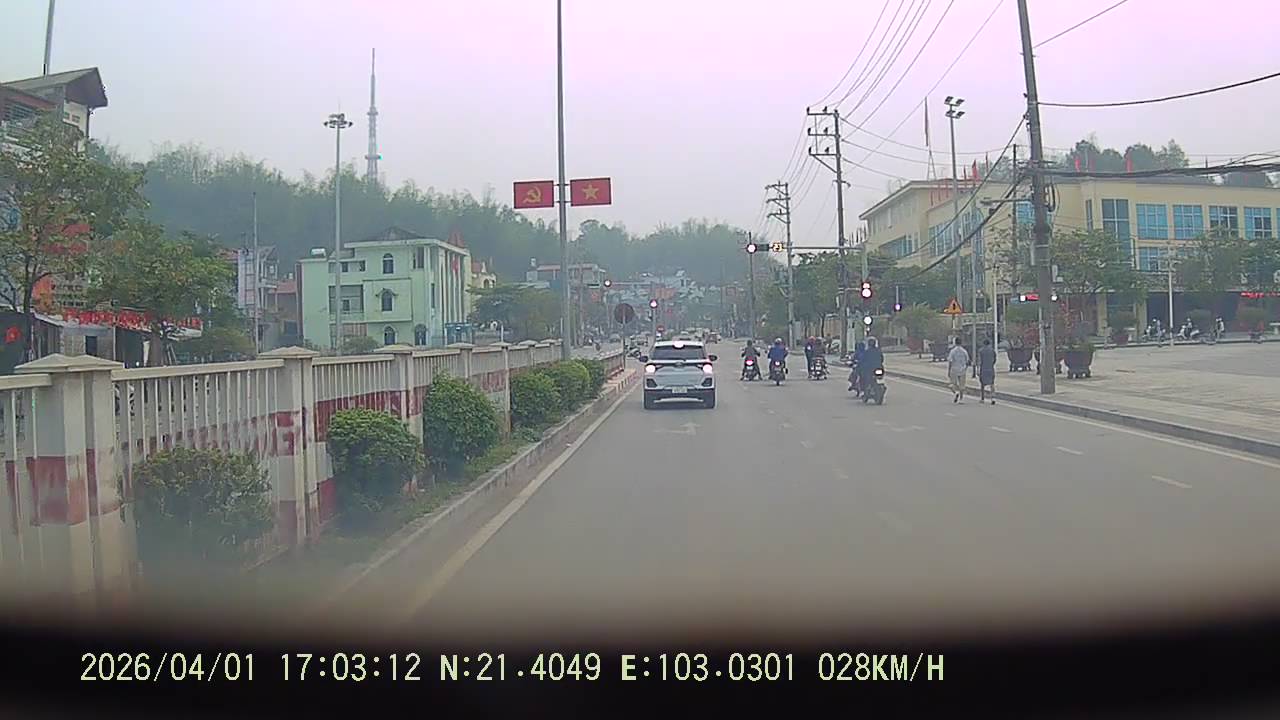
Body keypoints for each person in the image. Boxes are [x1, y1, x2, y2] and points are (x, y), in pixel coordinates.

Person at [947, 336, 970, 403]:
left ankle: (956, 392)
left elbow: (950, 361)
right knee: (962, 385)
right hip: (962, 369)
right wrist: (965, 368)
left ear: (955, 342)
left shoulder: (953, 351)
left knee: (952, 384)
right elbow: (967, 361)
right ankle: (961, 399)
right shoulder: (964, 351)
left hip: (954, 369)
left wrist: (949, 370)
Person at [977, 337, 997, 405]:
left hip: (983, 369)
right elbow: (995, 359)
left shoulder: (981, 351)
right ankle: (993, 397)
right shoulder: (992, 350)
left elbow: (979, 361)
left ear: (983, 344)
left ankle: (982, 398)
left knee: (982, 384)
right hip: (990, 368)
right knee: (992, 384)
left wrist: (978, 369)